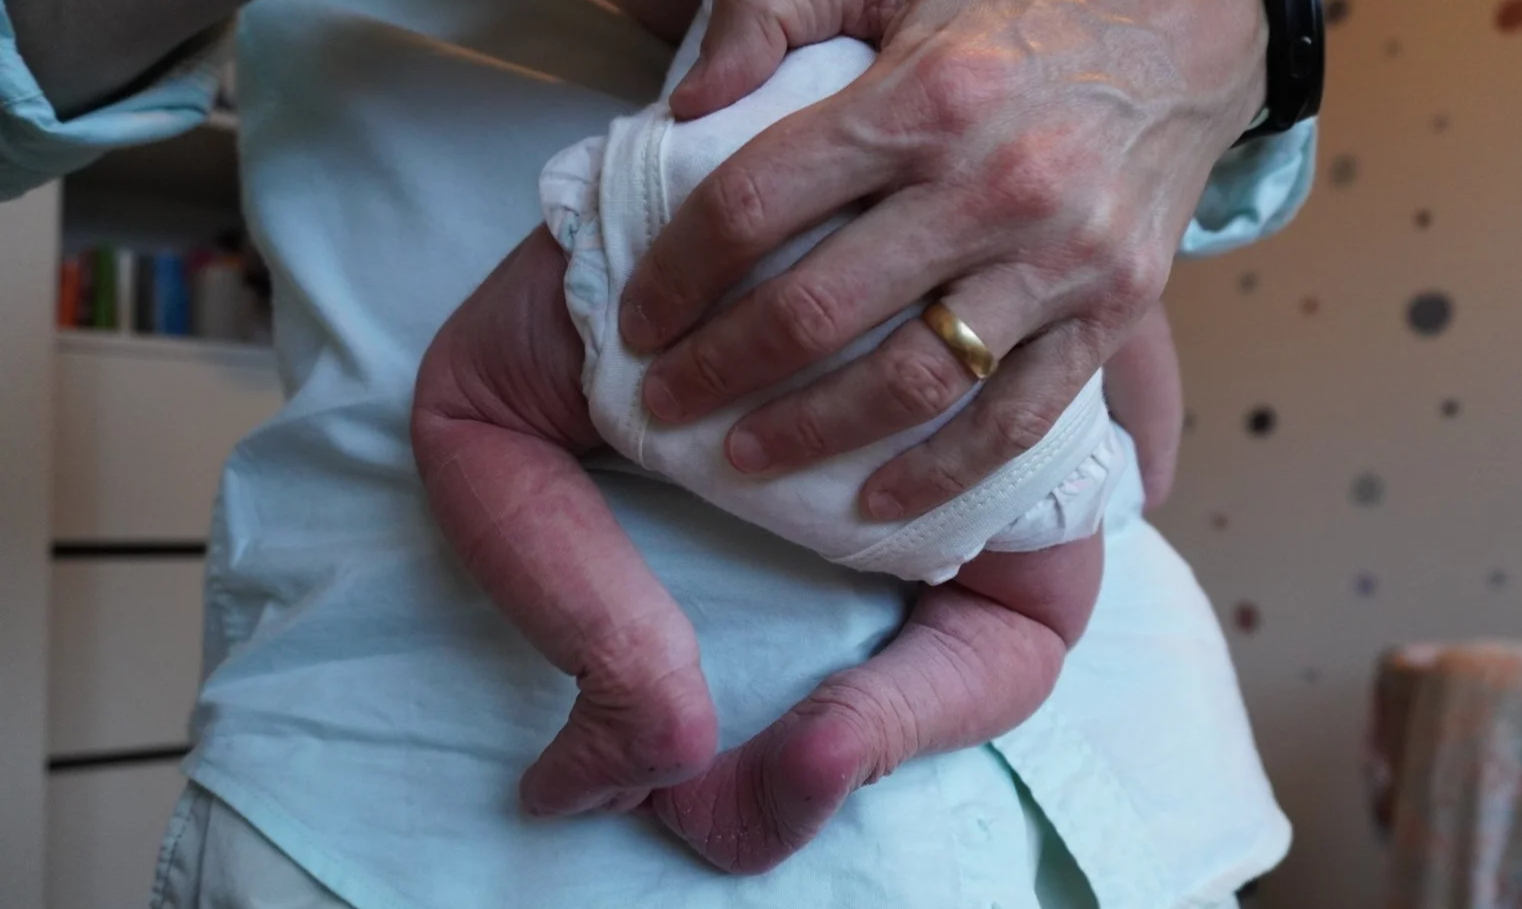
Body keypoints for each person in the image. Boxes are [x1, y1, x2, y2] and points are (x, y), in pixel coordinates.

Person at [0, 0, 1317, 905]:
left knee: (477, 416)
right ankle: (859, 727)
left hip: (663, 229)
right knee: (1026, 608)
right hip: (983, 380)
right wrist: (1120, 450)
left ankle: (635, 673)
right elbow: (1132, 348)